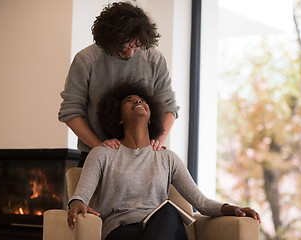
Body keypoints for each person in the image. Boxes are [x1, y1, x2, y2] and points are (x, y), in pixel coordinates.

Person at [67, 82, 261, 240]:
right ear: (119, 118)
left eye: (142, 100)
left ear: (151, 117)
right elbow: (81, 196)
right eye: (129, 100)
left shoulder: (167, 158)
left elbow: (201, 202)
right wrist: (75, 203)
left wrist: (233, 209)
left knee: (168, 211)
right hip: (122, 232)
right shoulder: (103, 154)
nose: (137, 101)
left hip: (163, 228)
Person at [58, 1, 179, 167]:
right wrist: (99, 148)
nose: (130, 54)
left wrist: (155, 144)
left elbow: (169, 109)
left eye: (136, 47)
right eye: (124, 48)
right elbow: (70, 112)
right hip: (96, 156)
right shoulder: (87, 59)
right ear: (108, 40)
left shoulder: (154, 59)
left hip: (143, 157)